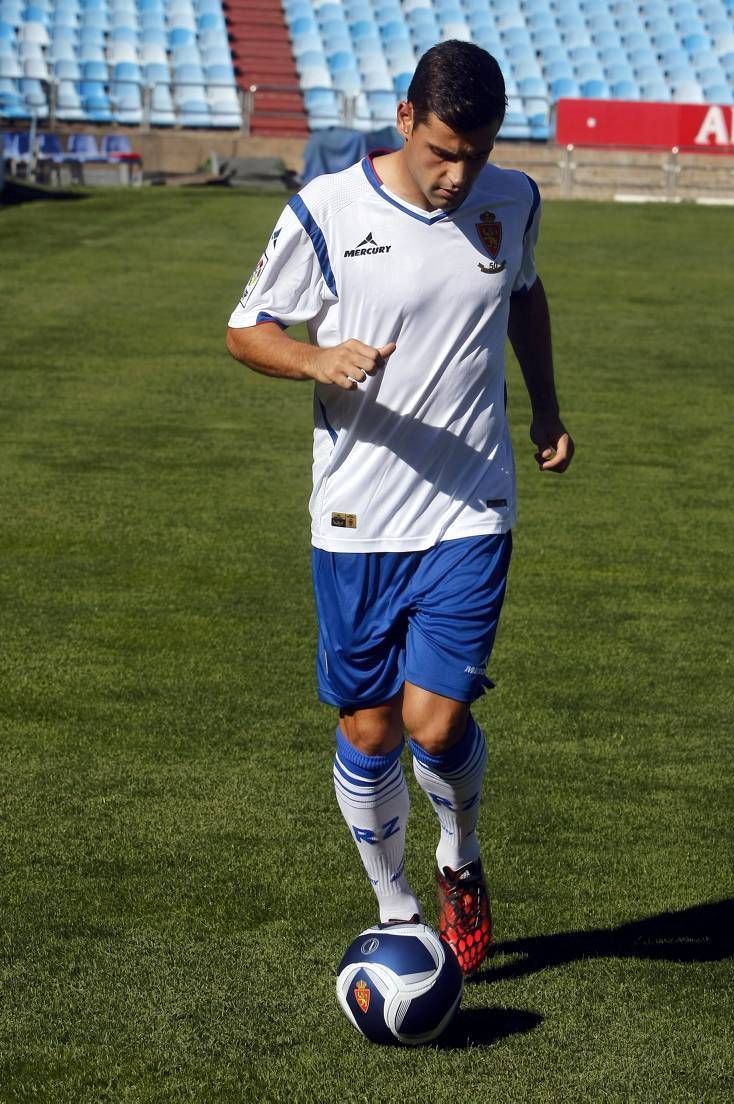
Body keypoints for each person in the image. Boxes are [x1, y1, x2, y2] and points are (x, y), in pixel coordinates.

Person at [226, 39, 574, 976]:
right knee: (370, 729)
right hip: (356, 519)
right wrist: (312, 358)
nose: (461, 175)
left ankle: (460, 859)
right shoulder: (328, 211)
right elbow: (244, 328)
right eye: (444, 152)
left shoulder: (516, 199)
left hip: (471, 505)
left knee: (436, 722)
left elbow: (525, 298)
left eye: (480, 154)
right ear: (405, 120)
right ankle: (395, 905)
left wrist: (545, 405)